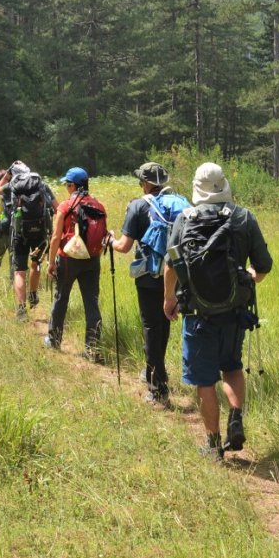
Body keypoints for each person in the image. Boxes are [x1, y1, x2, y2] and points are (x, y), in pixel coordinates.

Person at [162, 162, 271, 463]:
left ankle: (212, 446)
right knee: (232, 367)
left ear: (196, 188)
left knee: (204, 380)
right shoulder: (244, 218)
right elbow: (263, 267)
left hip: (197, 314)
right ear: (224, 185)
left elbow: (171, 263)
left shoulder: (184, 219)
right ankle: (235, 416)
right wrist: (248, 276)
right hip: (234, 312)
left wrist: (168, 299)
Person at [109, 161, 190, 406]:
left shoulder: (137, 206)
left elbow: (123, 246)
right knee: (164, 324)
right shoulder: (183, 204)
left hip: (148, 277)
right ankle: (157, 372)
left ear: (145, 183)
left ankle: (157, 388)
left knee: (151, 328)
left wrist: (109, 240)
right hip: (176, 274)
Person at [44, 166, 108, 361]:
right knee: (91, 302)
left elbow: (55, 237)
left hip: (68, 259)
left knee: (61, 298)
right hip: (92, 259)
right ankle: (92, 348)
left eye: (67, 184)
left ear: (73, 185)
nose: (66, 187)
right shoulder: (99, 206)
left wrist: (50, 262)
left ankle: (54, 340)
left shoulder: (65, 206)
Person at [5, 161, 55, 321]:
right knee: (36, 263)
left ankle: (21, 309)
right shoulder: (42, 185)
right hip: (40, 231)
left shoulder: (13, 186)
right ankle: (33, 294)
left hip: (20, 233)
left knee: (19, 271)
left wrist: (7, 173)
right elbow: (57, 206)